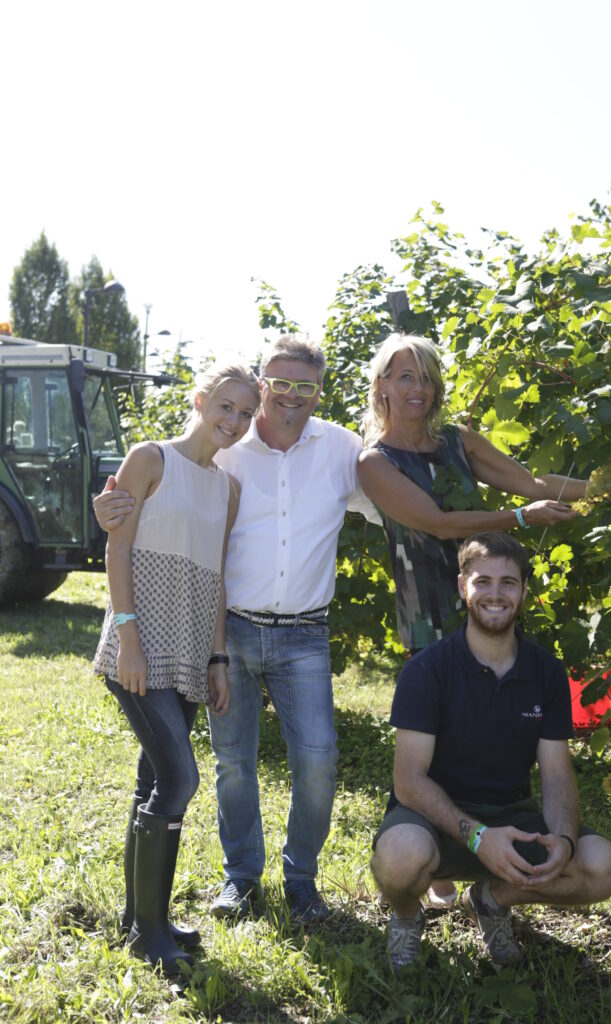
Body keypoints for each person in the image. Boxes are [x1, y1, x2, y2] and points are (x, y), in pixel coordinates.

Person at [94, 335, 375, 925]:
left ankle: (294, 882)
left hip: (275, 636)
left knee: (317, 761)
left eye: (305, 385)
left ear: (320, 390)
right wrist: (107, 512)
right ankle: (230, 884)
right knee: (219, 766)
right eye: (276, 385)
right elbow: (133, 521)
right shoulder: (213, 453)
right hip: (201, 635)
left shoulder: (333, 453)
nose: (287, 397)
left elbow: (399, 489)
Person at [358, 333, 587, 905]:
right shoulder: (374, 463)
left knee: (484, 725)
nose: (418, 388)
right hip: (430, 608)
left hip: (486, 598)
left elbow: (533, 485)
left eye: (427, 377)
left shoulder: (460, 441)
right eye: (404, 376)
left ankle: (483, 851)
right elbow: (434, 523)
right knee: (433, 737)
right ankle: (436, 858)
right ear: (381, 384)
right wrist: (518, 518)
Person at [370, 532, 611, 971]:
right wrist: (475, 835)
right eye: (483, 580)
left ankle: (489, 901)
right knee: (398, 857)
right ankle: (409, 918)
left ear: (525, 590)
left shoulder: (545, 671)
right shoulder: (426, 670)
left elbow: (557, 775)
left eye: (508, 582)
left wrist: (563, 839)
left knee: (602, 865)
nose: (495, 593)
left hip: (512, 820)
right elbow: (409, 781)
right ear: (462, 585)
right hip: (435, 821)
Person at [93, 363, 260, 974]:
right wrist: (130, 637)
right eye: (226, 406)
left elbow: (214, 577)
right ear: (199, 399)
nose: (234, 421)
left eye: (245, 414)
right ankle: (151, 934)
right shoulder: (151, 458)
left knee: (153, 781)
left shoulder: (227, 489)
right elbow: (118, 545)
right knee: (181, 779)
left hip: (191, 648)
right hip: (138, 644)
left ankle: (140, 922)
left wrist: (217, 658)